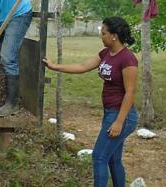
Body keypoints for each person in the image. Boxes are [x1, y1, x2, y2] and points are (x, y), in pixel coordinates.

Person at [42, 16, 139, 187]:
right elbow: (82, 66)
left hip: (122, 115)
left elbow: (130, 92)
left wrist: (119, 122)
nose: (101, 36)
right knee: (113, 159)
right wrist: (55, 66)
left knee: (99, 157)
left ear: (114, 36)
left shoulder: (127, 59)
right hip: (111, 112)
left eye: (103, 33)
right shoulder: (106, 53)